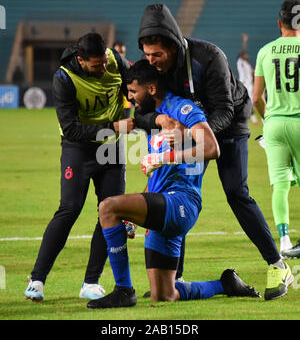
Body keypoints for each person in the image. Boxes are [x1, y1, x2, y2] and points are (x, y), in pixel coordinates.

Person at [134, 4, 292, 301]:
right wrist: (158, 120)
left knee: (236, 192)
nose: (152, 61)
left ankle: (278, 265)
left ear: (171, 44)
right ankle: (174, 277)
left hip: (229, 126)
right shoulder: (157, 72)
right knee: (176, 192)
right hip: (190, 130)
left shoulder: (209, 58)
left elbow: (225, 110)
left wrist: (193, 136)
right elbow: (141, 113)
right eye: (147, 55)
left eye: (157, 55)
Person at [86, 59, 261, 308]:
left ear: (152, 89)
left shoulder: (184, 110)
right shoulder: (155, 118)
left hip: (182, 201)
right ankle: (225, 284)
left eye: (134, 92)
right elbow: (160, 175)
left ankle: (123, 290)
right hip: (163, 204)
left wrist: (167, 155)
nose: (131, 98)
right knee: (164, 294)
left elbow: (212, 147)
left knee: (107, 207)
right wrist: (131, 212)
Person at [24, 33, 134, 302]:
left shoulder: (114, 60)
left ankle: (91, 282)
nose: (103, 69)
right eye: (97, 66)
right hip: (79, 148)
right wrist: (114, 127)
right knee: (69, 208)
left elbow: (134, 87)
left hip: (111, 147)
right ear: (81, 60)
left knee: (109, 211)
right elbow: (71, 129)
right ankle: (37, 280)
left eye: (105, 63)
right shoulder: (63, 79)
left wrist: (133, 116)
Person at [253, 0, 300, 259]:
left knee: (280, 185)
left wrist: (267, 120)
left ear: (279, 23)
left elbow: (257, 97)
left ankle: (283, 240)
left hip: (275, 124)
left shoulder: (265, 51)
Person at [236, 33, 259, 125]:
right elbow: (243, 52)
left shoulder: (248, 65)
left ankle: (248, 118)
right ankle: (254, 120)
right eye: (245, 55)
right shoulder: (240, 62)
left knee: (251, 102)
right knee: (249, 103)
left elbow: (253, 73)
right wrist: (245, 41)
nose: (247, 55)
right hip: (245, 85)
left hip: (250, 85)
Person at [113, 41, 133, 118]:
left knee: (123, 129)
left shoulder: (130, 66)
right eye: (118, 52)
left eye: (122, 52)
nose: (120, 55)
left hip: (125, 105)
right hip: (111, 106)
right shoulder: (106, 68)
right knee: (110, 128)